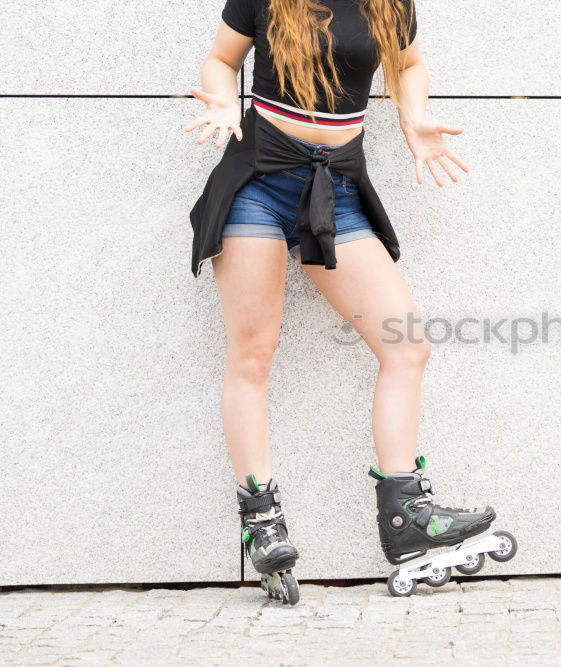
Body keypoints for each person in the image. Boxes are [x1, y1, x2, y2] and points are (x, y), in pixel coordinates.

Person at [185, 0, 514, 603]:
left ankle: (406, 511)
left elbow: (410, 64)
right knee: (253, 355)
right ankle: (261, 520)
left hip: (336, 185)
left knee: (406, 347)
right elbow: (219, 60)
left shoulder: (389, 2)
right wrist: (221, 99)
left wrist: (415, 121)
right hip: (257, 178)